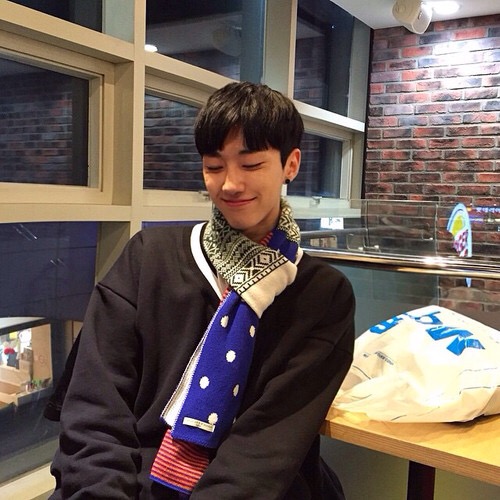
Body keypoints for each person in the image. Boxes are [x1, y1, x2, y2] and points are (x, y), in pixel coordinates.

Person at [48, 81, 355, 499]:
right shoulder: (148, 258)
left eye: (251, 165)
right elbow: (95, 407)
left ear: (291, 164)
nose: (230, 184)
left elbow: (266, 450)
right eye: (214, 166)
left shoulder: (322, 295)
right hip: (128, 480)